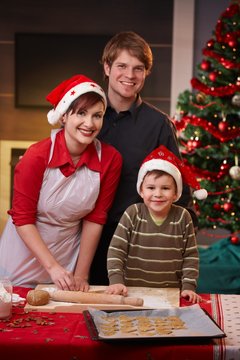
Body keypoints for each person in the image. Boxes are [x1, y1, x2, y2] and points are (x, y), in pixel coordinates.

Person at [90, 31, 197, 285]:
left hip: (139, 241)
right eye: (122, 66)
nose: (130, 75)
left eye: (138, 68)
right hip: (82, 238)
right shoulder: (86, 118)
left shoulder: (159, 124)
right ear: (107, 67)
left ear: (146, 73)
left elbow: (179, 190)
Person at [0, 74, 122, 291]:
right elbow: (22, 218)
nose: (89, 123)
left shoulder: (110, 159)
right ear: (64, 116)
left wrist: (82, 274)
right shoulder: (36, 156)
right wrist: (52, 267)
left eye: (97, 115)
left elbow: (95, 218)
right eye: (81, 113)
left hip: (68, 255)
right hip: (23, 252)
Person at [106, 145, 207, 303]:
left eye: (165, 188)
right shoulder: (133, 214)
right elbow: (116, 251)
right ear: (141, 190)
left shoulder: (182, 217)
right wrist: (116, 280)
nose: (158, 194)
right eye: (151, 188)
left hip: (171, 294)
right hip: (133, 292)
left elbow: (190, 256)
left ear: (175, 193)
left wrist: (188, 286)